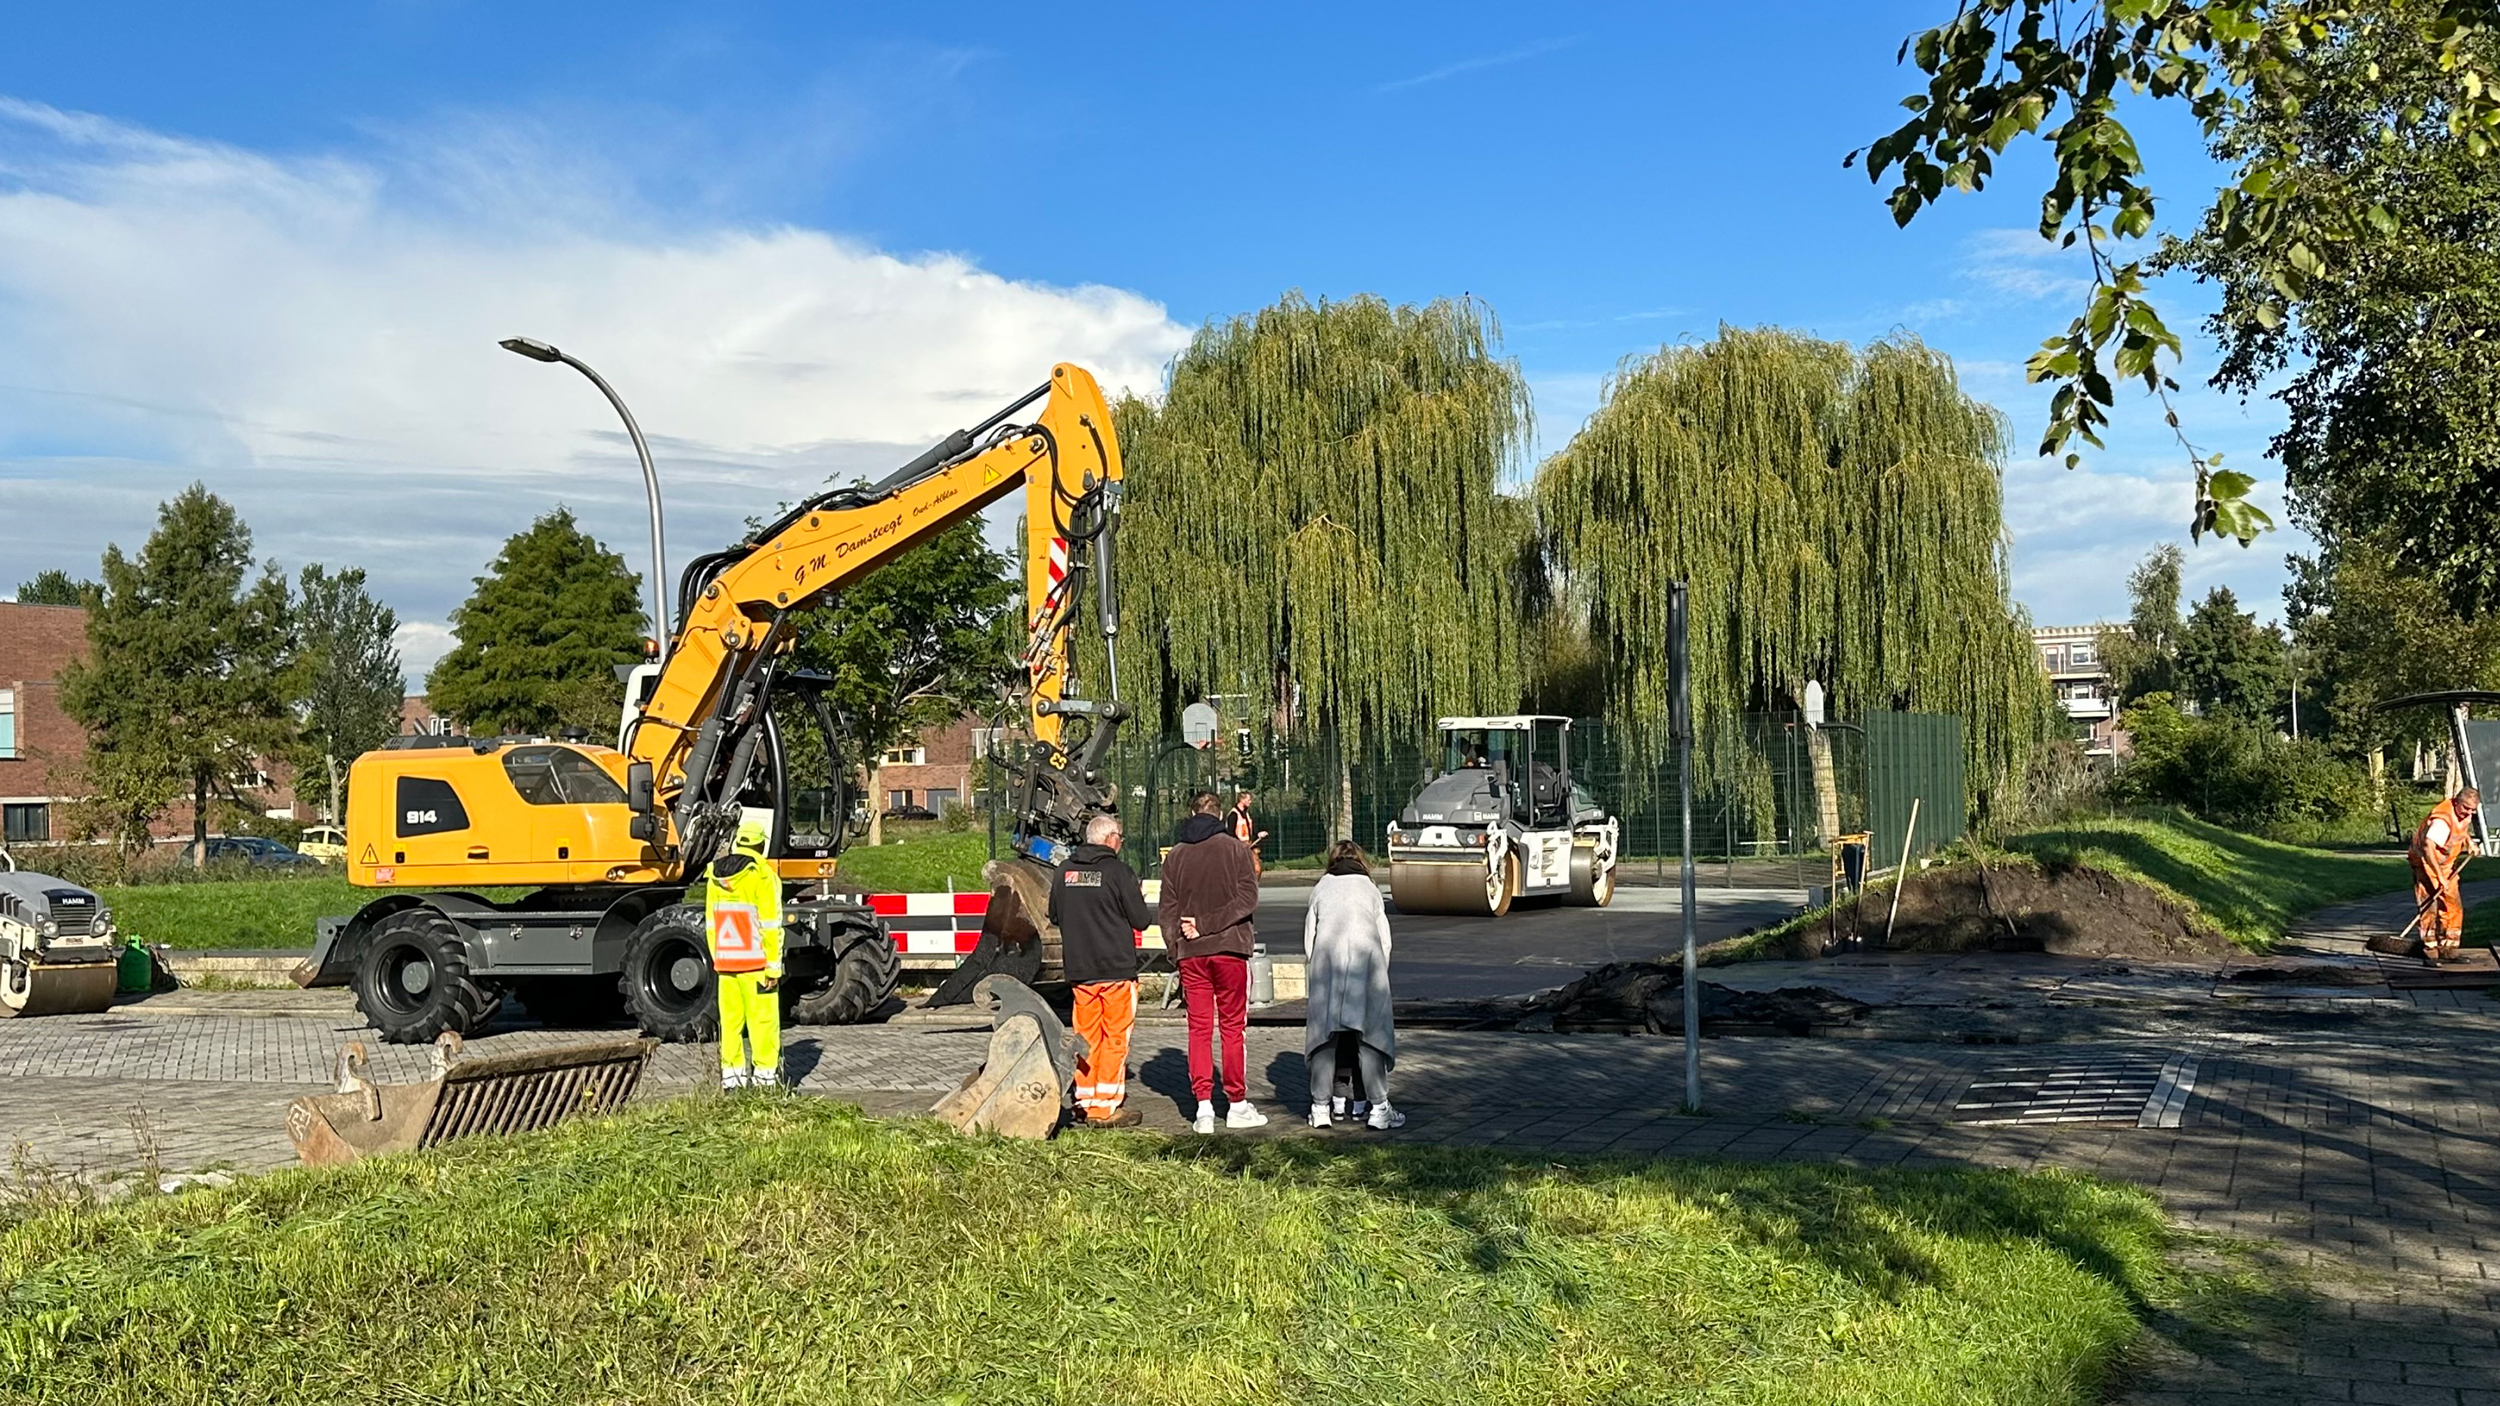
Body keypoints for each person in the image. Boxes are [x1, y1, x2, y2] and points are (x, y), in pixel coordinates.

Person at [1159, 789, 1266, 1133]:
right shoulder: (1236, 850)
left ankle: (1203, 1107)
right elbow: (1248, 899)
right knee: (1233, 1029)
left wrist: (1177, 945)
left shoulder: (1175, 855)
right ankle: (1236, 1104)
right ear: (1221, 816)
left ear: (1191, 815)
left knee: (1198, 1029)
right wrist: (1208, 925)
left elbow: (1168, 910)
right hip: (1230, 949)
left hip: (1191, 956)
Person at [1049, 812, 1151, 1127]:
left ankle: (1084, 1100)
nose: (1120, 841)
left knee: (1086, 1038)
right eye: (1119, 836)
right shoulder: (1118, 872)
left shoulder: (1065, 871)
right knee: (1115, 1039)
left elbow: (1053, 914)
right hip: (1116, 971)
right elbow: (1141, 921)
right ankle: (1105, 1108)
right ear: (1110, 839)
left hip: (1080, 972)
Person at [1303, 840, 1401, 1130]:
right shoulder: (1370, 889)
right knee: (1370, 1039)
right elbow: (1384, 940)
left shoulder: (1321, 887)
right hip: (1365, 969)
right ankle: (1379, 1108)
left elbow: (1310, 940)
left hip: (1328, 970)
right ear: (1361, 860)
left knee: (1324, 1040)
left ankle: (1320, 1108)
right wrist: (1379, 973)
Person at [705, 814, 783, 1090]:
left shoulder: (715, 875)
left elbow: (711, 923)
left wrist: (719, 958)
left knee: (731, 1024)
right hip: (757, 966)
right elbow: (771, 927)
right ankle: (764, 1080)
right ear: (762, 846)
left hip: (726, 965)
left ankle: (732, 1079)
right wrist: (774, 968)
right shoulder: (763, 876)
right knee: (763, 1023)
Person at [2411, 787, 2479, 965]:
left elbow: (2461, 830)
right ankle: (2430, 950)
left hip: (2447, 864)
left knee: (2452, 903)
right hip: (2427, 862)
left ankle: (2448, 949)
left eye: (2473, 809)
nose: (2469, 813)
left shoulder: (2464, 814)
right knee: (2430, 905)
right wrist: (2440, 877)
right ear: (2456, 802)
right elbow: (2428, 848)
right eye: (2466, 808)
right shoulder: (2441, 821)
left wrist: (2470, 843)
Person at [1228, 791, 1270, 877]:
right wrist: (1239, 845)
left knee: (1257, 869)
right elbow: (1230, 833)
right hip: (1239, 848)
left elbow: (1250, 830)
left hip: (1249, 845)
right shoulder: (1233, 815)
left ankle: (1251, 887)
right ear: (1242, 800)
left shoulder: (1246, 814)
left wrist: (1258, 834)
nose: (1250, 802)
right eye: (1249, 800)